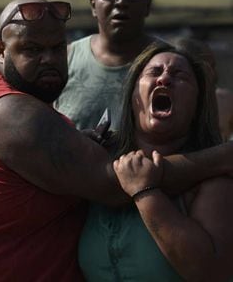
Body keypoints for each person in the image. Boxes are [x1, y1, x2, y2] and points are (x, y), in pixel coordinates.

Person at [0, 0, 233, 281]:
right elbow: (116, 183)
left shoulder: (214, 187)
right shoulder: (11, 112)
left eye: (58, 48)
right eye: (32, 49)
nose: (49, 59)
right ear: (1, 49)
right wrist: (222, 157)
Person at [79, 42, 233, 281]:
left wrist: (145, 193)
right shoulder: (99, 158)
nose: (164, 79)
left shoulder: (214, 181)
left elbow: (210, 272)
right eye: (154, 72)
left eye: (180, 76)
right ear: (132, 95)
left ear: (197, 105)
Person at [55, 0, 159, 131]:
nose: (121, 2)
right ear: (93, 5)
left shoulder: (172, 65)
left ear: (147, 5)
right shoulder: (63, 60)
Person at [171, 37, 233, 142]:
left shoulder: (225, 101)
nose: (215, 75)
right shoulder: (164, 114)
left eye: (214, 67)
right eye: (209, 67)